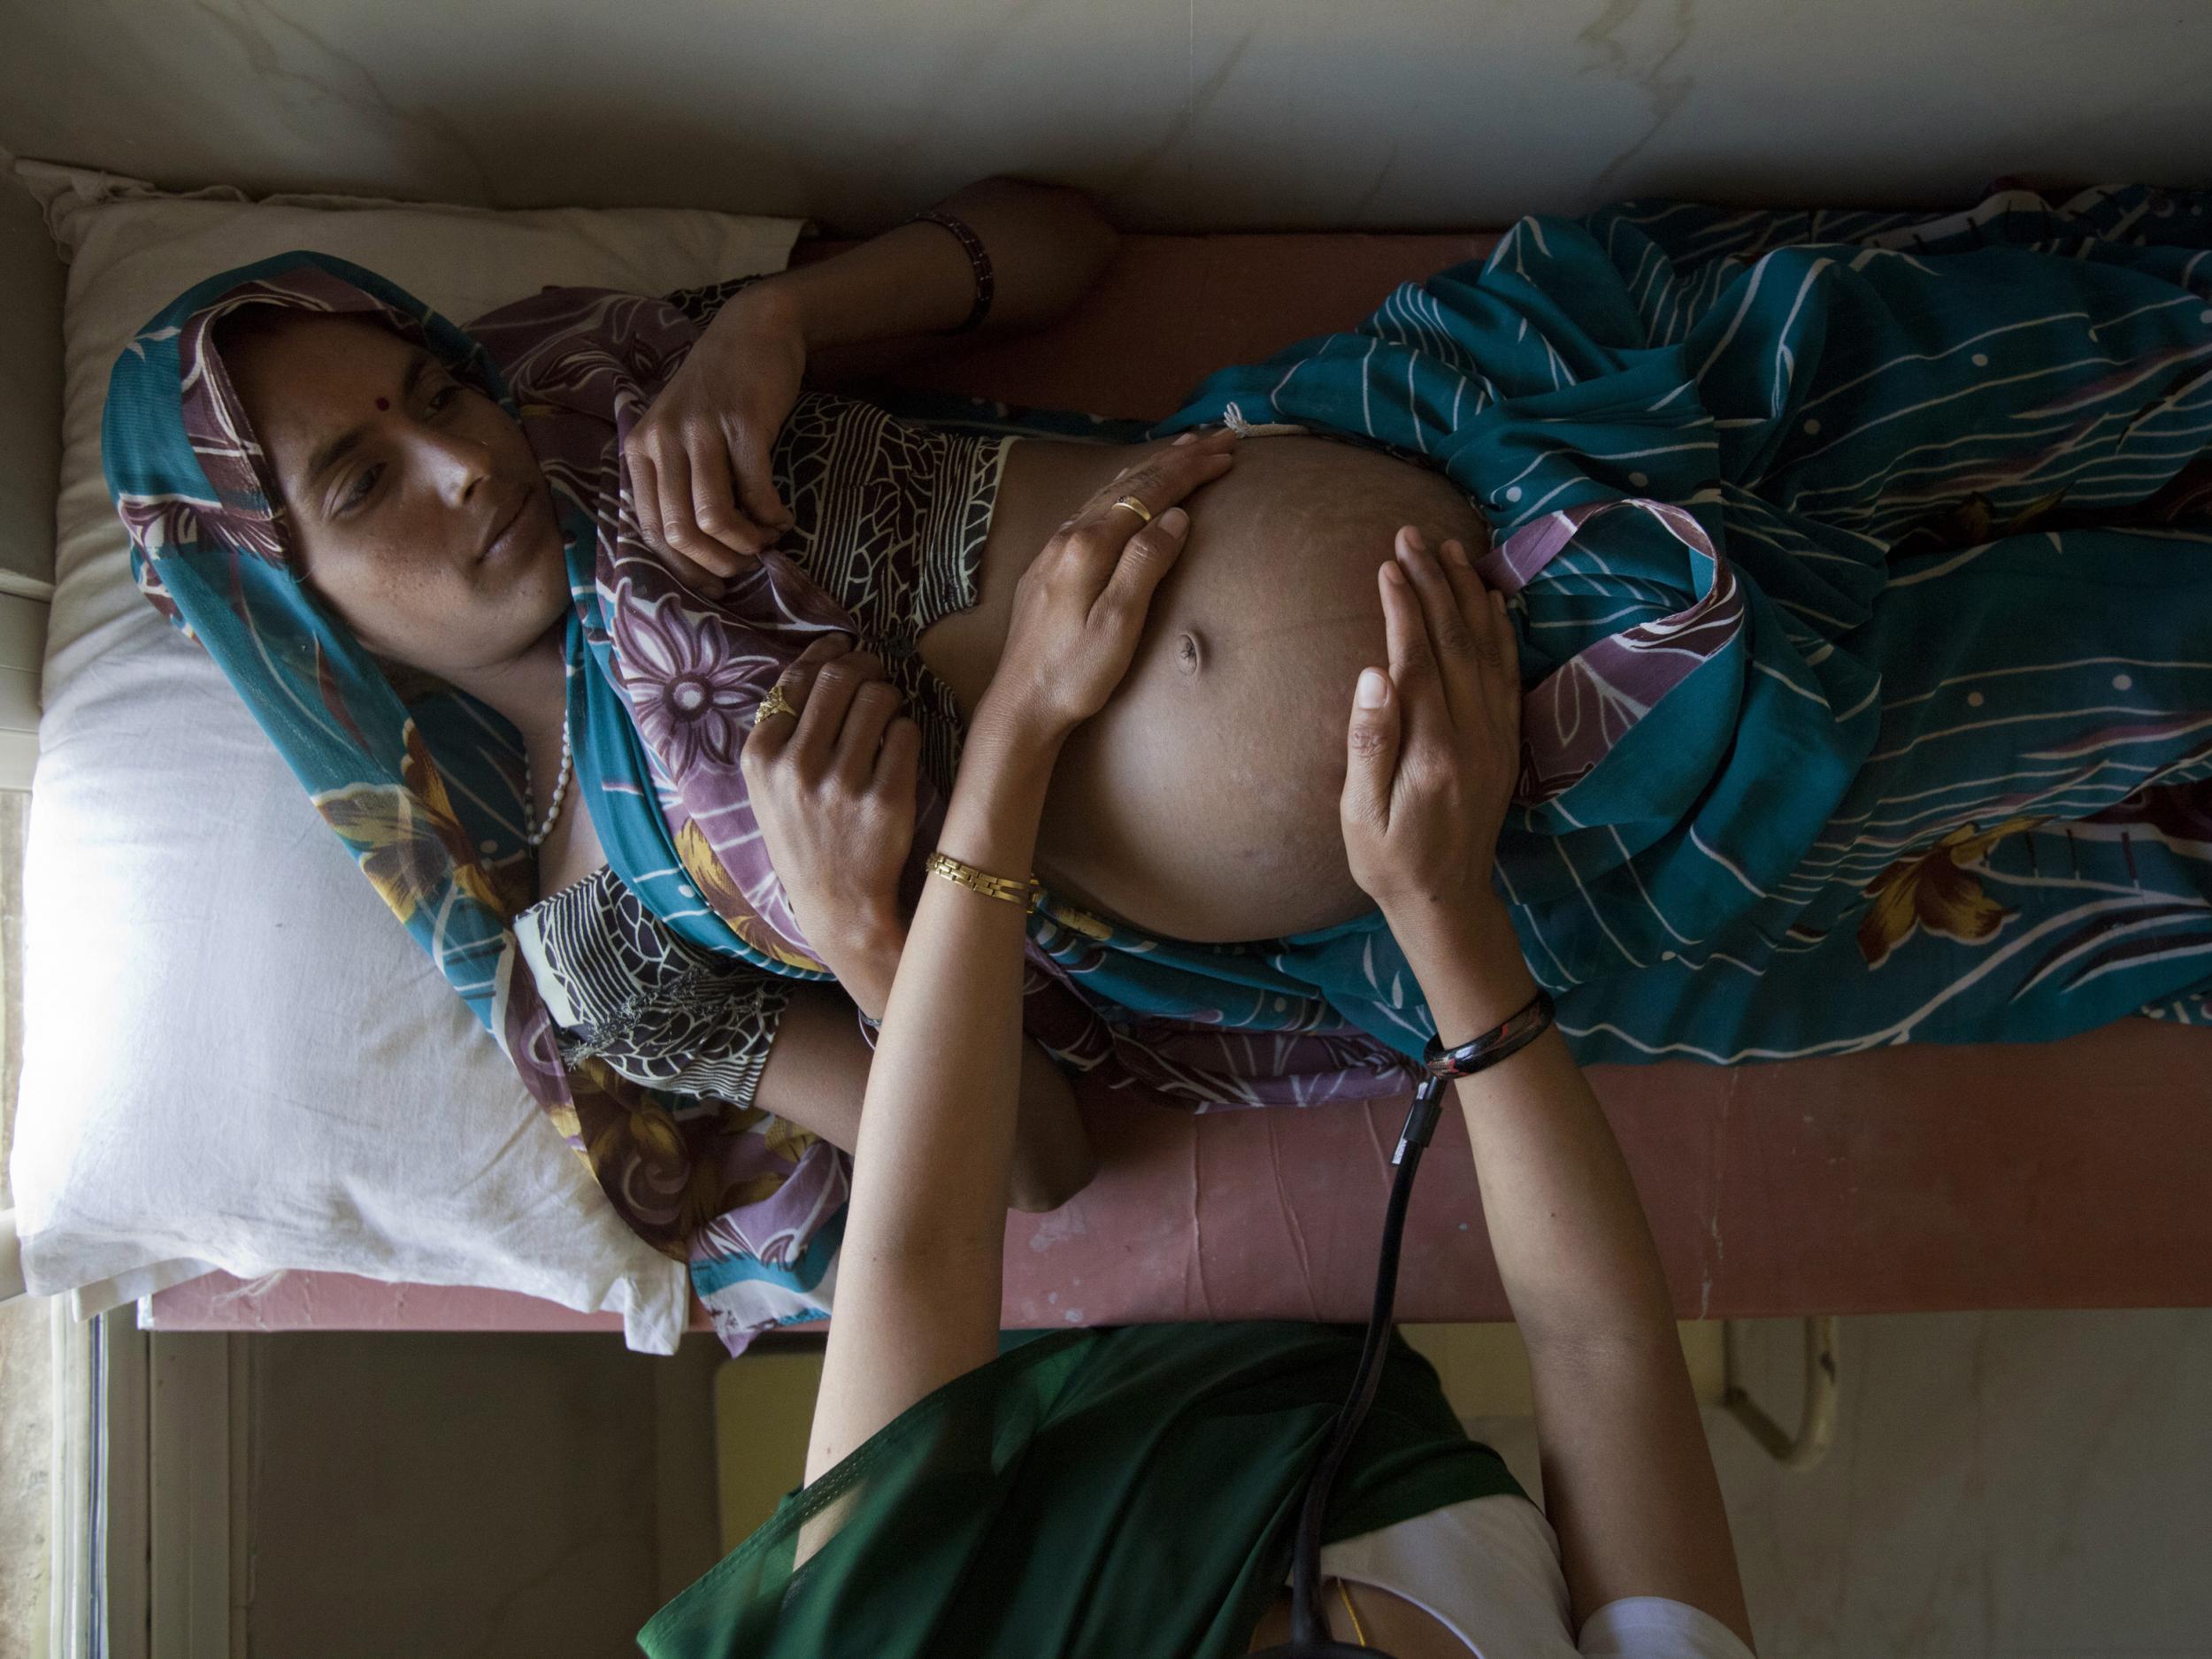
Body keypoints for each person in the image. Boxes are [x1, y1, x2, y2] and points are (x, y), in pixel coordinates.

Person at [104, 180, 2212, 1344]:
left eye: (429, 384)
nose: (467, 457)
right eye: (364, 477)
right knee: (2136, 666)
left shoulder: (628, 393)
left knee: (2107, 355)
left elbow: (1057, 243)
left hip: (1523, 437)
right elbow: (1025, 1162)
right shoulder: (601, 951)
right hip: (1547, 813)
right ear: (285, 604)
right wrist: (864, 935)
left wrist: (776, 322)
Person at [637, 483, 1756, 1658]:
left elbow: (923, 1246)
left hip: (1038, 1313)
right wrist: (1448, 919)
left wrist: (1020, 727)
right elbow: (1599, 1342)